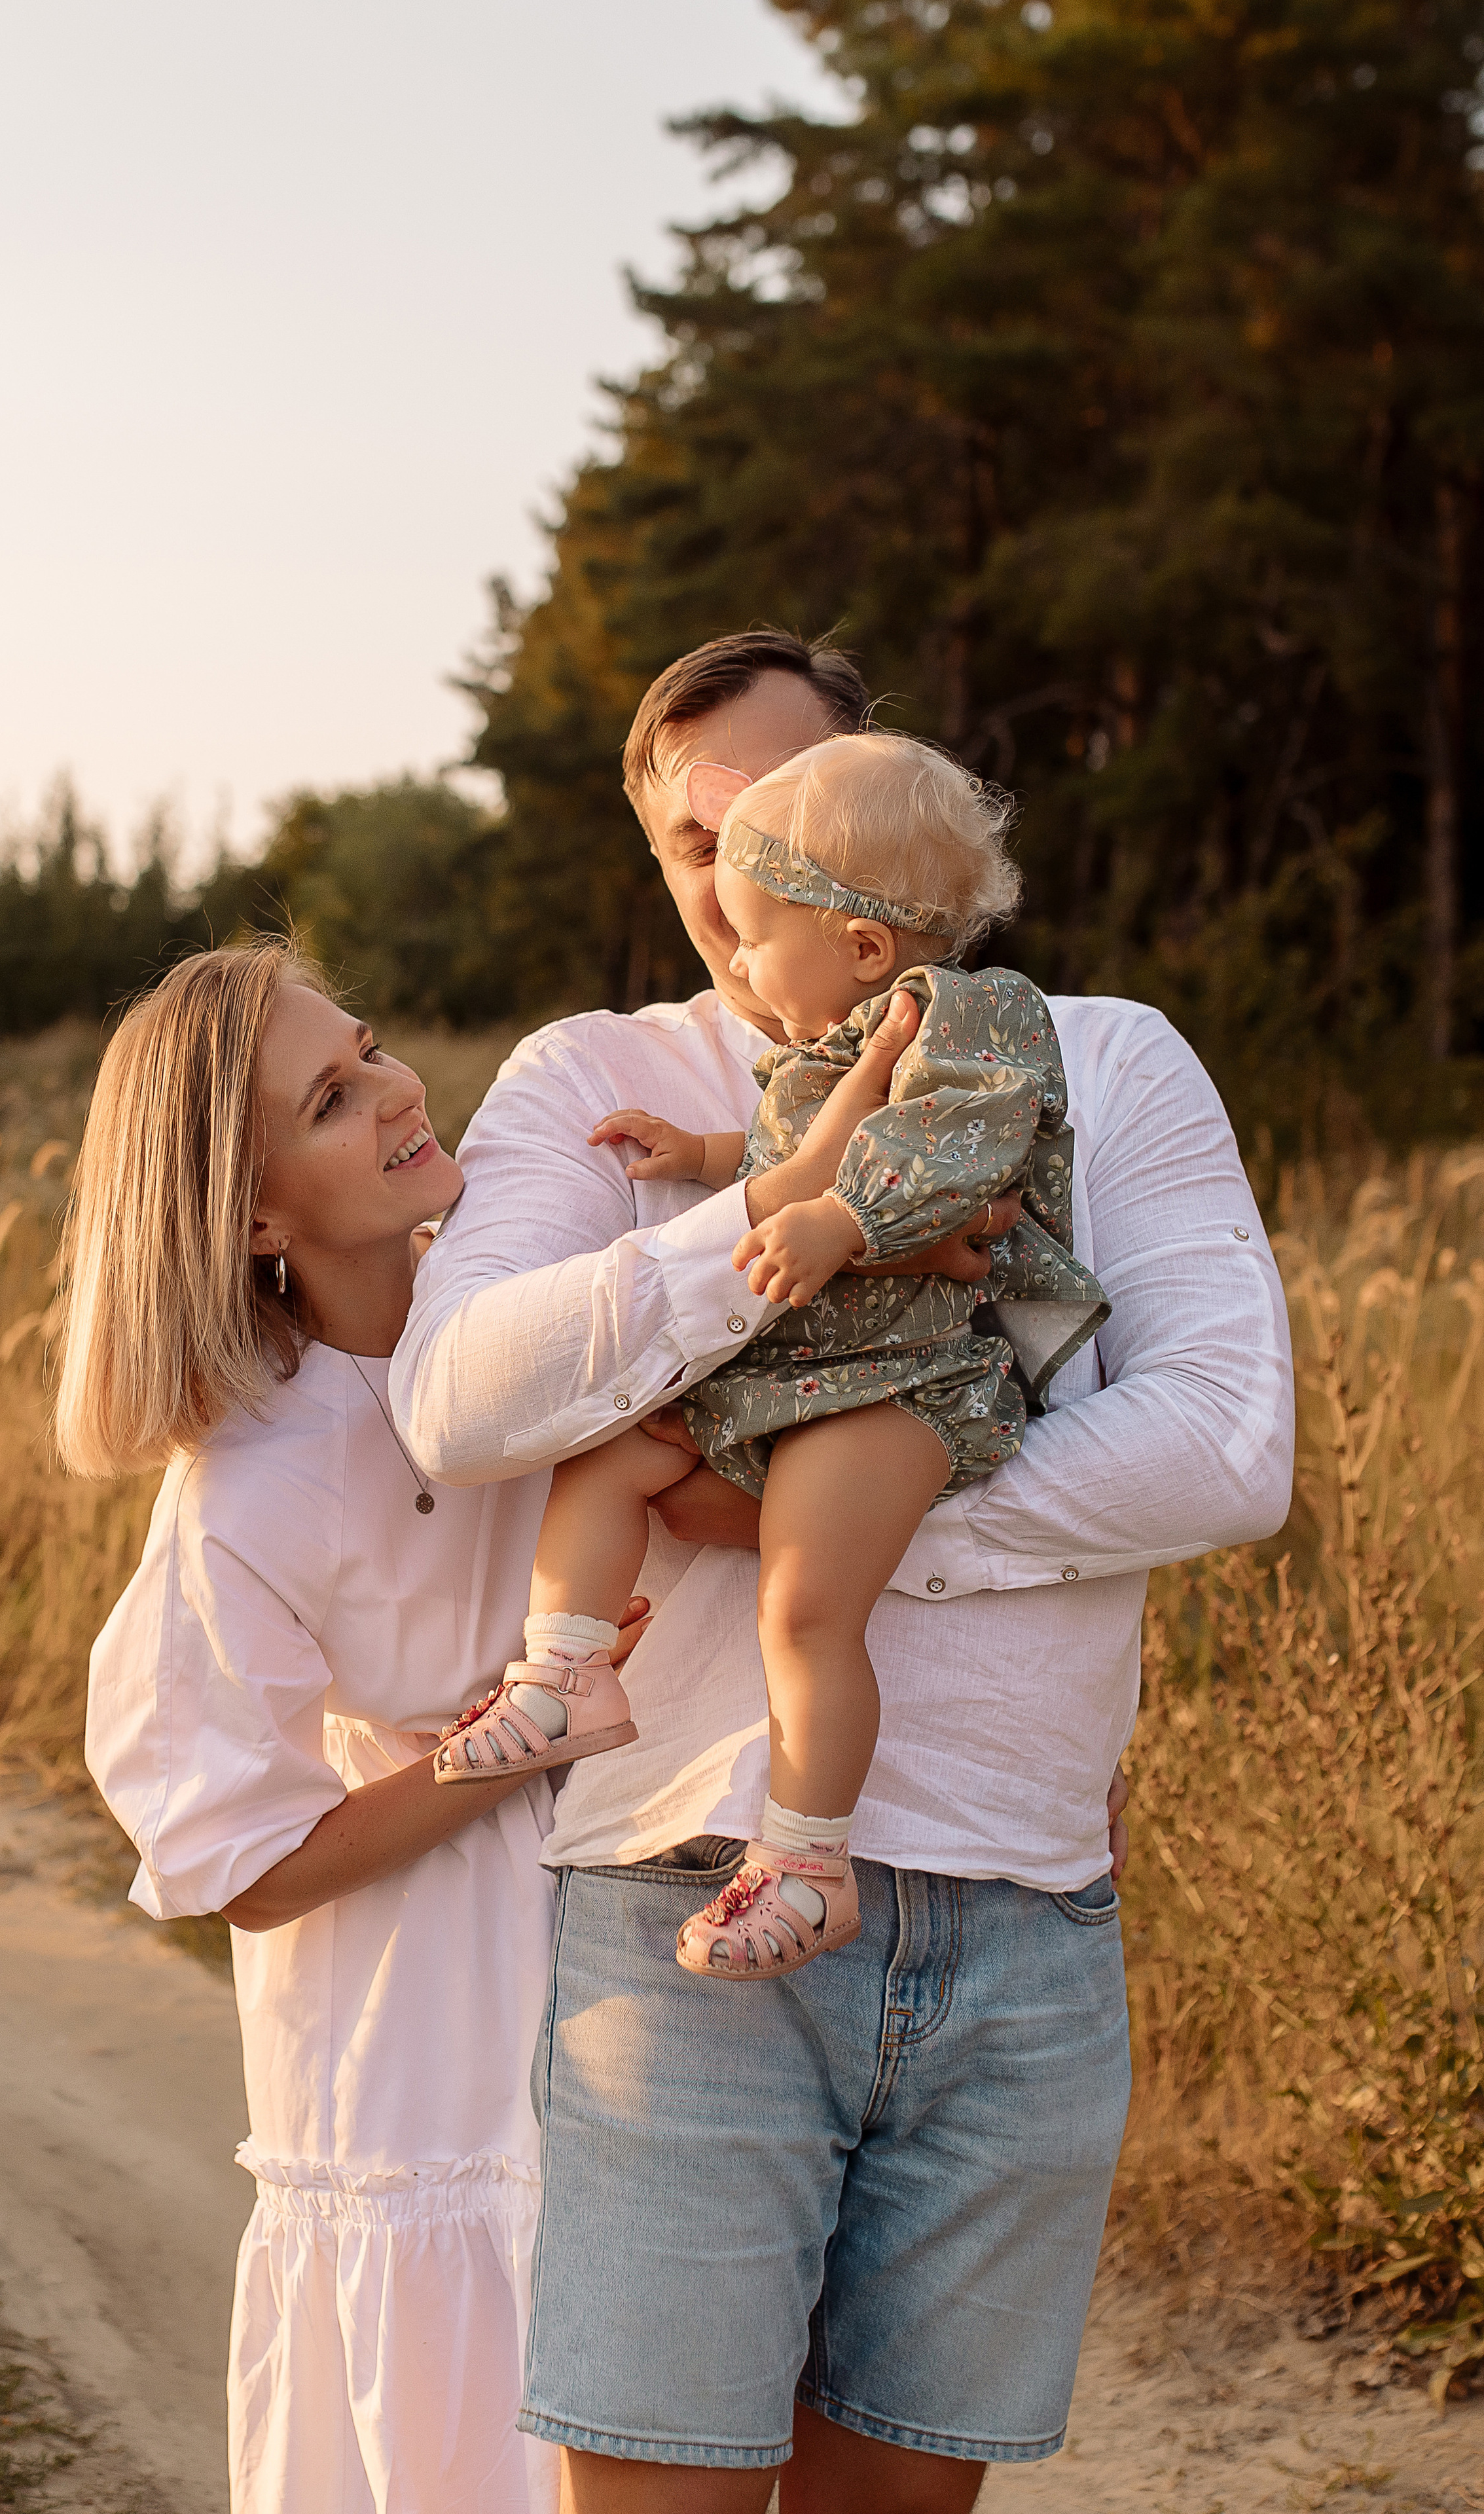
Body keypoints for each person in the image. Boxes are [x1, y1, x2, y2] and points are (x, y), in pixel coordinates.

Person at [391, 630, 1294, 2509]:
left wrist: (806, 1527)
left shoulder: (1086, 1050)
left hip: (1022, 1927)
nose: (737, 878)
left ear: (883, 805)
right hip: (684, 1908)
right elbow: (459, 1399)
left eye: (780, 815)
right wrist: (754, 1220)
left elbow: (1224, 1442)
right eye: (691, 843)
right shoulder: (595, 1077)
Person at [58, 938, 623, 2514]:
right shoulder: (250, 1483)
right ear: (251, 1217)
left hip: (618, 1923)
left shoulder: (515, 1316)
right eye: (328, 1096)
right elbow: (237, 1854)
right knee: (463, 2431)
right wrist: (513, 1734)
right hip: (409, 2008)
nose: (391, 1092)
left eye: (368, 1049)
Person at [434, 731, 1107, 1991]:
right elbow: (778, 1154)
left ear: (860, 946)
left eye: (756, 934)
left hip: (902, 1381)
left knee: (804, 1605)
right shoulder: (824, 1047)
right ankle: (564, 1671)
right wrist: (694, 1153)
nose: (734, 960)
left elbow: (968, 1149)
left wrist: (848, 1222)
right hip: (798, 1373)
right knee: (613, 1452)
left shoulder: (980, 1014)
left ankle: (807, 1860)